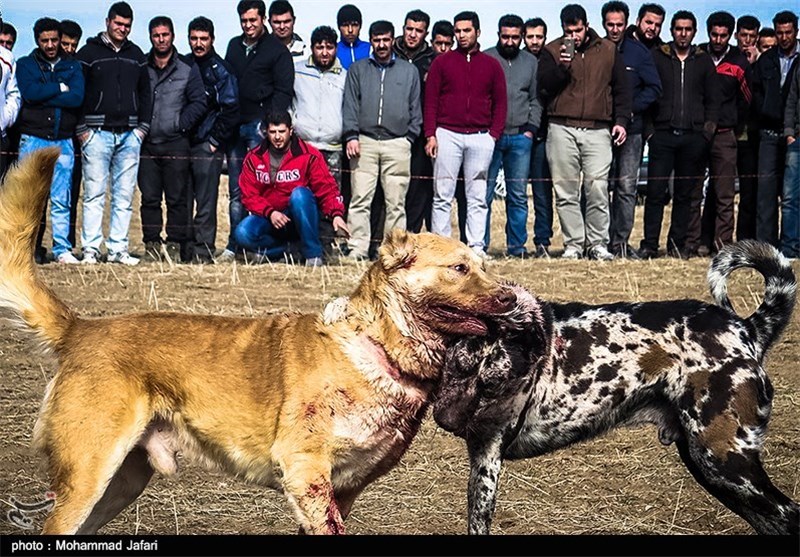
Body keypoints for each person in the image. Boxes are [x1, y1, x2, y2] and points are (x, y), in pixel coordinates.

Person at [538, 4, 631, 261]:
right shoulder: (552, 51)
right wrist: (563, 67)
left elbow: (623, 90)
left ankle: (598, 244)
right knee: (566, 190)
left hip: (598, 128)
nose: (574, 35)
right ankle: (573, 245)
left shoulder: (608, 50)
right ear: (563, 29)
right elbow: (544, 87)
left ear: (587, 26)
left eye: (578, 30)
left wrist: (621, 120)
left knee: (597, 188)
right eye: (569, 31)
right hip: (561, 127)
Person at [638, 10, 719, 260]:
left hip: (693, 137)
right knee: (655, 192)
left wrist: (706, 133)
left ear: (694, 32)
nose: (683, 33)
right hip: (662, 135)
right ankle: (650, 244)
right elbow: (647, 92)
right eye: (678, 29)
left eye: (688, 29)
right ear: (671, 31)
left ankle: (677, 244)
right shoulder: (657, 56)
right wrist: (650, 131)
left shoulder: (702, 60)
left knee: (684, 194)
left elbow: (713, 100)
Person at [75, 1, 152, 265]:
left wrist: (142, 129)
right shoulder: (88, 53)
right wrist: (82, 130)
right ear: (107, 22)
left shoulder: (138, 55)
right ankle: (91, 250)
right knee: (94, 193)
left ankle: (118, 249)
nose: (123, 29)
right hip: (96, 134)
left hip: (130, 135)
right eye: (118, 24)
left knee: (124, 195)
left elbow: (146, 94)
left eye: (127, 25)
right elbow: (78, 93)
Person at [425, 11, 507, 257]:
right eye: (457, 31)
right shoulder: (442, 63)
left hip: (481, 137)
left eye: (466, 30)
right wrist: (431, 134)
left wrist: (493, 135)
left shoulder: (491, 65)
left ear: (478, 32)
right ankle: (441, 249)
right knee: (442, 195)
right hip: (447, 134)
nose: (461, 35)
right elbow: (430, 101)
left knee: (477, 196)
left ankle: (476, 247)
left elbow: (501, 103)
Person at [342, 20, 421, 260]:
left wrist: (409, 137)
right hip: (363, 142)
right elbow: (350, 105)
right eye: (377, 40)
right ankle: (357, 249)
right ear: (371, 41)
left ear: (392, 39)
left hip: (397, 143)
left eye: (386, 39)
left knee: (395, 202)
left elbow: (415, 107)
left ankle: (394, 253)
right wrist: (351, 135)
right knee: (360, 199)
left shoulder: (409, 71)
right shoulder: (358, 69)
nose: (382, 45)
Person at [223, 0, 294, 262]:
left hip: (259, 128)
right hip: (234, 127)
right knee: (236, 190)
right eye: (244, 21)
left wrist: (268, 125)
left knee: (260, 189)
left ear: (263, 19)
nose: (248, 25)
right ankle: (234, 246)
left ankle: (256, 244)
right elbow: (227, 83)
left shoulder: (277, 50)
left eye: (253, 20)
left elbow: (284, 91)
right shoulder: (233, 46)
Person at [234, 110, 349, 267]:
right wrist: (270, 212)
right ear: (266, 132)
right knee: (242, 233)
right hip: (269, 217)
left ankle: (313, 256)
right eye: (272, 132)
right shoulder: (254, 157)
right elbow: (248, 195)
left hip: (299, 216)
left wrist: (336, 214)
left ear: (291, 130)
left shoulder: (309, 155)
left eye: (282, 131)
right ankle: (289, 251)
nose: (277, 137)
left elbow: (327, 188)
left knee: (299, 195)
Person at [16, 17, 84, 264]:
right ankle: (24, 248)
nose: (51, 45)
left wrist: (48, 92)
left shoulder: (73, 67)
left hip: (62, 140)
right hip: (33, 139)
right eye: (45, 40)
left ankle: (61, 249)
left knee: (61, 197)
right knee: (29, 198)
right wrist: (60, 88)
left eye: (54, 39)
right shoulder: (25, 65)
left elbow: (76, 98)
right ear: (37, 41)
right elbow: (30, 94)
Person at [139, 16, 206, 264]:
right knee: (150, 198)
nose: (161, 39)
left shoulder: (187, 69)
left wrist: (181, 124)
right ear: (150, 37)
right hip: (148, 143)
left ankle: (176, 245)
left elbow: (199, 101)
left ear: (173, 36)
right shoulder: (142, 67)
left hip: (176, 142)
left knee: (178, 197)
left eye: (165, 34)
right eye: (156, 35)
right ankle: (152, 245)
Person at [602, 1, 661, 260]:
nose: (615, 29)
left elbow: (654, 88)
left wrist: (629, 111)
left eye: (619, 24)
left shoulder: (639, 54)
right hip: (600, 129)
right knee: (598, 187)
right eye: (610, 24)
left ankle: (621, 243)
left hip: (632, 131)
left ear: (628, 24)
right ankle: (599, 242)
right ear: (604, 24)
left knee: (627, 187)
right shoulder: (597, 50)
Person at [484, 14, 542, 257]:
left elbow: (535, 98)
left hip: (520, 136)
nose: (509, 41)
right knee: (483, 194)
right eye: (505, 36)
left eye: (515, 37)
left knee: (517, 195)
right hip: (490, 137)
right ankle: (480, 246)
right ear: (498, 34)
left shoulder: (530, 62)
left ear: (521, 37)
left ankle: (517, 247)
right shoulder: (487, 58)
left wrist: (531, 129)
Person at [698, 11, 753, 255]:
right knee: (694, 191)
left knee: (724, 193)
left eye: (723, 35)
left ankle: (722, 246)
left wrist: (734, 123)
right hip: (697, 132)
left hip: (725, 134)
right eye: (714, 34)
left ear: (730, 35)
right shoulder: (698, 55)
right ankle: (697, 241)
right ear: (708, 32)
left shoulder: (739, 61)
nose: (718, 39)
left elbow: (746, 99)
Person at [188, 16, 239, 264]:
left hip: (207, 144)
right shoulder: (183, 64)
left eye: (203, 39)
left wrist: (215, 141)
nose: (198, 43)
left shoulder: (221, 69)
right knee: (183, 199)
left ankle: (203, 251)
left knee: (206, 202)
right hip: (182, 142)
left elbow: (231, 108)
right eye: (194, 38)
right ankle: (185, 249)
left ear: (212, 39)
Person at [292, 25, 346, 255]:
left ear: (335, 48)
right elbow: (287, 100)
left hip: (332, 148)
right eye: (319, 47)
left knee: (329, 198)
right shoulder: (297, 71)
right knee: (299, 196)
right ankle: (298, 245)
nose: (324, 52)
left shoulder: (345, 75)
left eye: (329, 47)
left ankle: (325, 246)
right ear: (312, 48)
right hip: (303, 147)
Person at [752, 11, 798, 249]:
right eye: (779, 32)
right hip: (769, 133)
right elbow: (755, 91)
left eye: (788, 32)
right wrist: (764, 112)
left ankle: (791, 244)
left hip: (795, 134)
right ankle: (766, 247)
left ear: (796, 31)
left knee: (792, 194)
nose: (783, 37)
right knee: (766, 193)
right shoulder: (766, 60)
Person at [393, 9, 435, 234]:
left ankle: (412, 234)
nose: (412, 35)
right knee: (393, 186)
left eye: (418, 31)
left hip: (421, 134)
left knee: (419, 186)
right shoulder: (391, 53)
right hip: (394, 131)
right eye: (409, 29)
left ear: (425, 33)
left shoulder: (432, 60)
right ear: (403, 29)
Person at [523, 17, 554, 258]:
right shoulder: (520, 60)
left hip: (547, 134)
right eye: (530, 36)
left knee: (543, 192)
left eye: (539, 37)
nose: (535, 41)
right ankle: (518, 243)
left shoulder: (550, 59)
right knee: (518, 192)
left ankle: (542, 241)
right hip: (522, 134)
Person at [735, 15, 761, 241]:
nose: (747, 40)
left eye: (752, 36)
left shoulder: (761, 63)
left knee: (749, 192)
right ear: (736, 35)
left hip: (751, 137)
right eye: (744, 35)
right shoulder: (730, 59)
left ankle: (745, 238)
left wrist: (754, 65)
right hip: (727, 133)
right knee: (717, 190)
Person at [58, 19, 83, 255]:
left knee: (70, 193)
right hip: (46, 135)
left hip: (73, 136)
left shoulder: (78, 67)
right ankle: (34, 245)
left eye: (74, 45)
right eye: (66, 43)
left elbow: (78, 99)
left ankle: (67, 242)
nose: (69, 49)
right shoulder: (47, 66)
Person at [783, 52, 800, 259]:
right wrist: (789, 133)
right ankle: (789, 248)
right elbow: (791, 99)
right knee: (790, 198)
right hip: (797, 139)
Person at [0, 17, 20, 181]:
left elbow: (13, 94)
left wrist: (4, 119)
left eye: (9, 42)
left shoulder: (7, 59)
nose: (5, 45)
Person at [336, 4, 370, 70]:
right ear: (339, 27)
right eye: (345, 25)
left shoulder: (371, 49)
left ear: (360, 26)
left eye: (354, 25)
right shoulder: (333, 51)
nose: (350, 30)